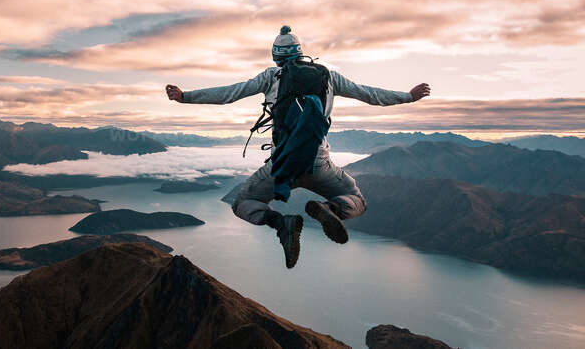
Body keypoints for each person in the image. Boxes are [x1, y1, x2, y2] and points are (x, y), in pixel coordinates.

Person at [165, 26, 430, 269]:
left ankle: (282, 224)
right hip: (319, 163)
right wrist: (407, 97)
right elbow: (369, 94)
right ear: (301, 53)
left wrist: (186, 97)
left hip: (281, 165)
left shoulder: (270, 76)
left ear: (275, 57)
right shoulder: (329, 77)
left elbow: (229, 93)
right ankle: (331, 209)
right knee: (357, 200)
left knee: (243, 202)